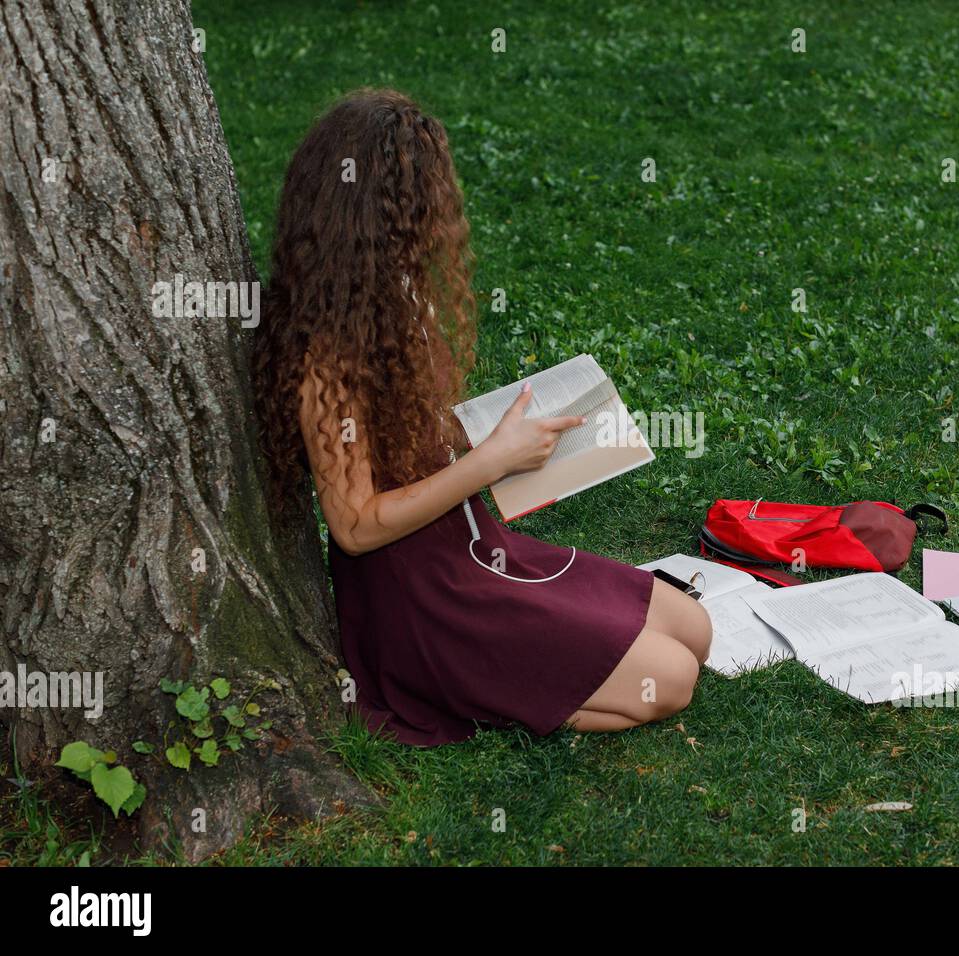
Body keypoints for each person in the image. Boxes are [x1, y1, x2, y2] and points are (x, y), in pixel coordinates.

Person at [252, 89, 711, 746]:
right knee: (669, 679)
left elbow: (406, 434)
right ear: (387, 215)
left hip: (469, 546)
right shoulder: (325, 358)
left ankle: (524, 679)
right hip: (422, 596)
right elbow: (353, 527)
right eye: (427, 200)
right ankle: (479, 689)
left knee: (694, 629)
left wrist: (497, 432)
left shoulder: (393, 296)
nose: (442, 216)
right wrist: (490, 462)